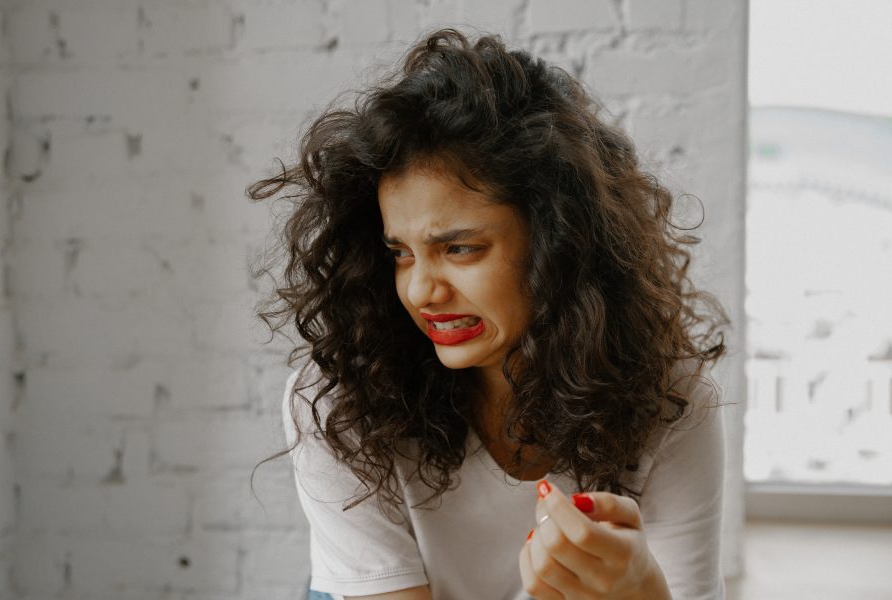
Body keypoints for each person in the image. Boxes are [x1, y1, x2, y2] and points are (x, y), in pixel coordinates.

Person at [250, 28, 730, 600]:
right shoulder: (337, 400)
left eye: (459, 248)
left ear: (561, 243)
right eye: (400, 253)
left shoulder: (671, 397)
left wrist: (641, 591)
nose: (421, 292)